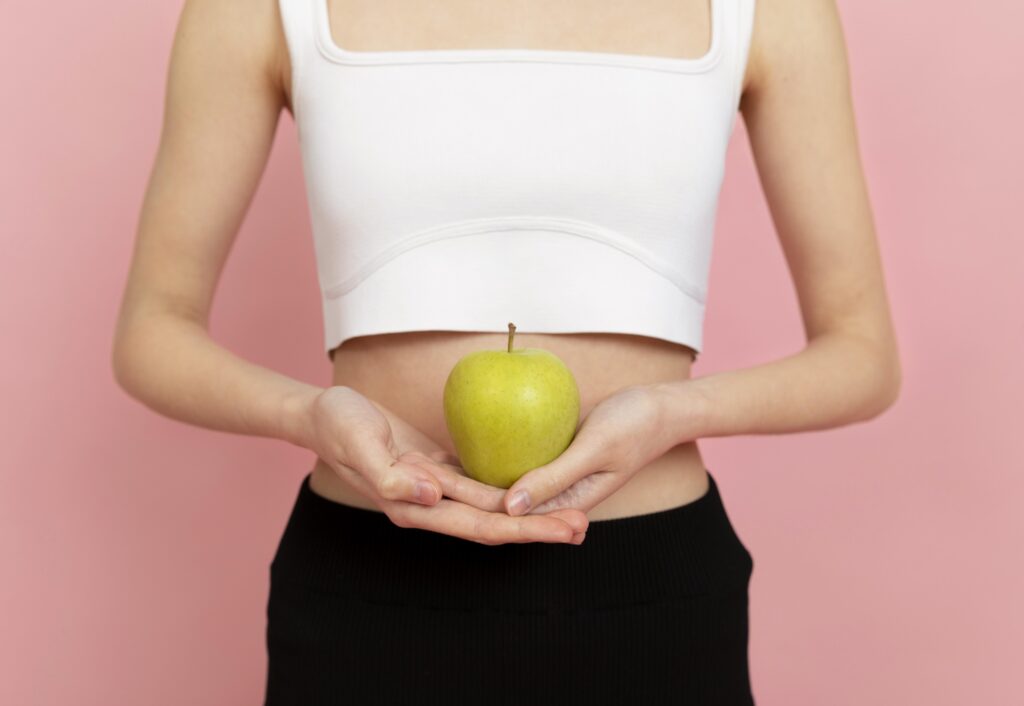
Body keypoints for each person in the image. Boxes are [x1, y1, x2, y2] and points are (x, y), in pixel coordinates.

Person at [112, 0, 901, 703]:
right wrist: (311, 413)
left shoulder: (771, 10)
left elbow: (862, 355)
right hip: (369, 589)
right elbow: (154, 329)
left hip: (650, 599)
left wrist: (670, 412)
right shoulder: (258, 10)